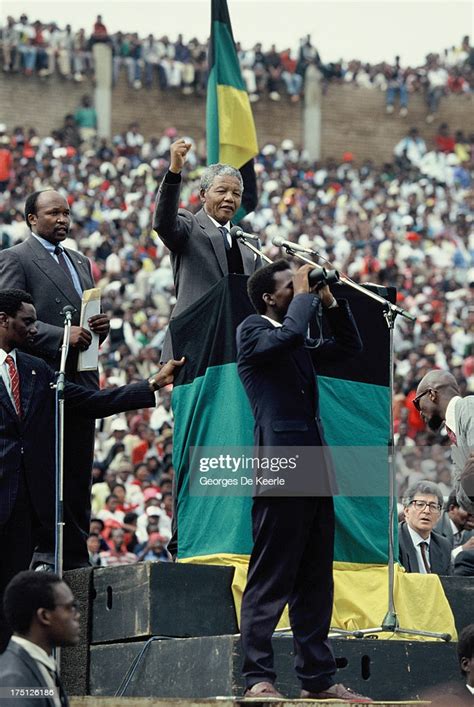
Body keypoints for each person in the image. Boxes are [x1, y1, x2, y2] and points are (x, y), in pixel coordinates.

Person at [0, 288, 184, 649]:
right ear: (3, 320)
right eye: (28, 322)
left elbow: (93, 402)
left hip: (22, 511)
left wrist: (152, 384)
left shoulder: (37, 370)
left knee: (8, 606)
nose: (35, 329)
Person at [236, 260, 370, 702]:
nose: (300, 291)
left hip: (314, 464)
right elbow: (289, 333)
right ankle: (257, 676)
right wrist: (303, 289)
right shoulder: (254, 331)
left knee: (316, 576)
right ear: (269, 298)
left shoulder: (293, 341)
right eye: (289, 287)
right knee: (272, 573)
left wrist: (329, 301)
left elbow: (350, 346)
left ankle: (317, 678)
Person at [0, 189, 110, 570]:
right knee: (47, 472)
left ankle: (76, 556)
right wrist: (62, 336)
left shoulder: (80, 261)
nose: (62, 219)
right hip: (39, 384)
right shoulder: (15, 258)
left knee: (79, 470)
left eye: (66, 213)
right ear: (32, 219)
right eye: (52, 213)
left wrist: (99, 328)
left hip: (81, 379)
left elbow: (84, 324)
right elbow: (9, 318)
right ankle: (43, 553)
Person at [153, 137, 261, 361]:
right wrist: (174, 171)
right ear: (203, 195)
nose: (229, 198)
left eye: (236, 194)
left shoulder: (249, 243)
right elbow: (163, 222)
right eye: (221, 191)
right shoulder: (189, 225)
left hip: (236, 348)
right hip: (194, 344)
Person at [0, 570, 79, 706]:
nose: (77, 615)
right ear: (44, 616)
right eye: (70, 607)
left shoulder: (39, 665)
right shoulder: (14, 679)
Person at [413, 370, 474, 514]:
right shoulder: (454, 439)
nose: (419, 412)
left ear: (432, 394)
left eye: (417, 403)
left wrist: (467, 481)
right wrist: (466, 481)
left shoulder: (469, 405)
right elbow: (464, 502)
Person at [398, 481, 451, 574]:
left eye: (433, 506)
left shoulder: (443, 545)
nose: (426, 511)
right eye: (420, 504)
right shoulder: (393, 541)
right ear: (406, 511)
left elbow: (447, 584)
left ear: (439, 515)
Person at [435, 490, 474, 566]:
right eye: (470, 512)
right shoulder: (434, 527)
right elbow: (435, 563)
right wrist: (462, 550)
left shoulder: (470, 532)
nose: (472, 517)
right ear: (452, 509)